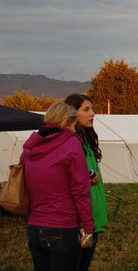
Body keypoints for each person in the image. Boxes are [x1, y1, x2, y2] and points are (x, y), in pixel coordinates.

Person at [22, 102, 95, 271]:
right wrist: (89, 228)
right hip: (63, 227)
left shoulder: (33, 146)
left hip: (35, 227)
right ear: (68, 121)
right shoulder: (71, 144)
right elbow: (80, 190)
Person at [65, 94, 108, 271]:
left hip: (93, 219)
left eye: (92, 109)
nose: (92, 114)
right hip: (78, 221)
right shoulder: (68, 144)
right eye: (86, 109)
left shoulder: (87, 141)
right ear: (72, 113)